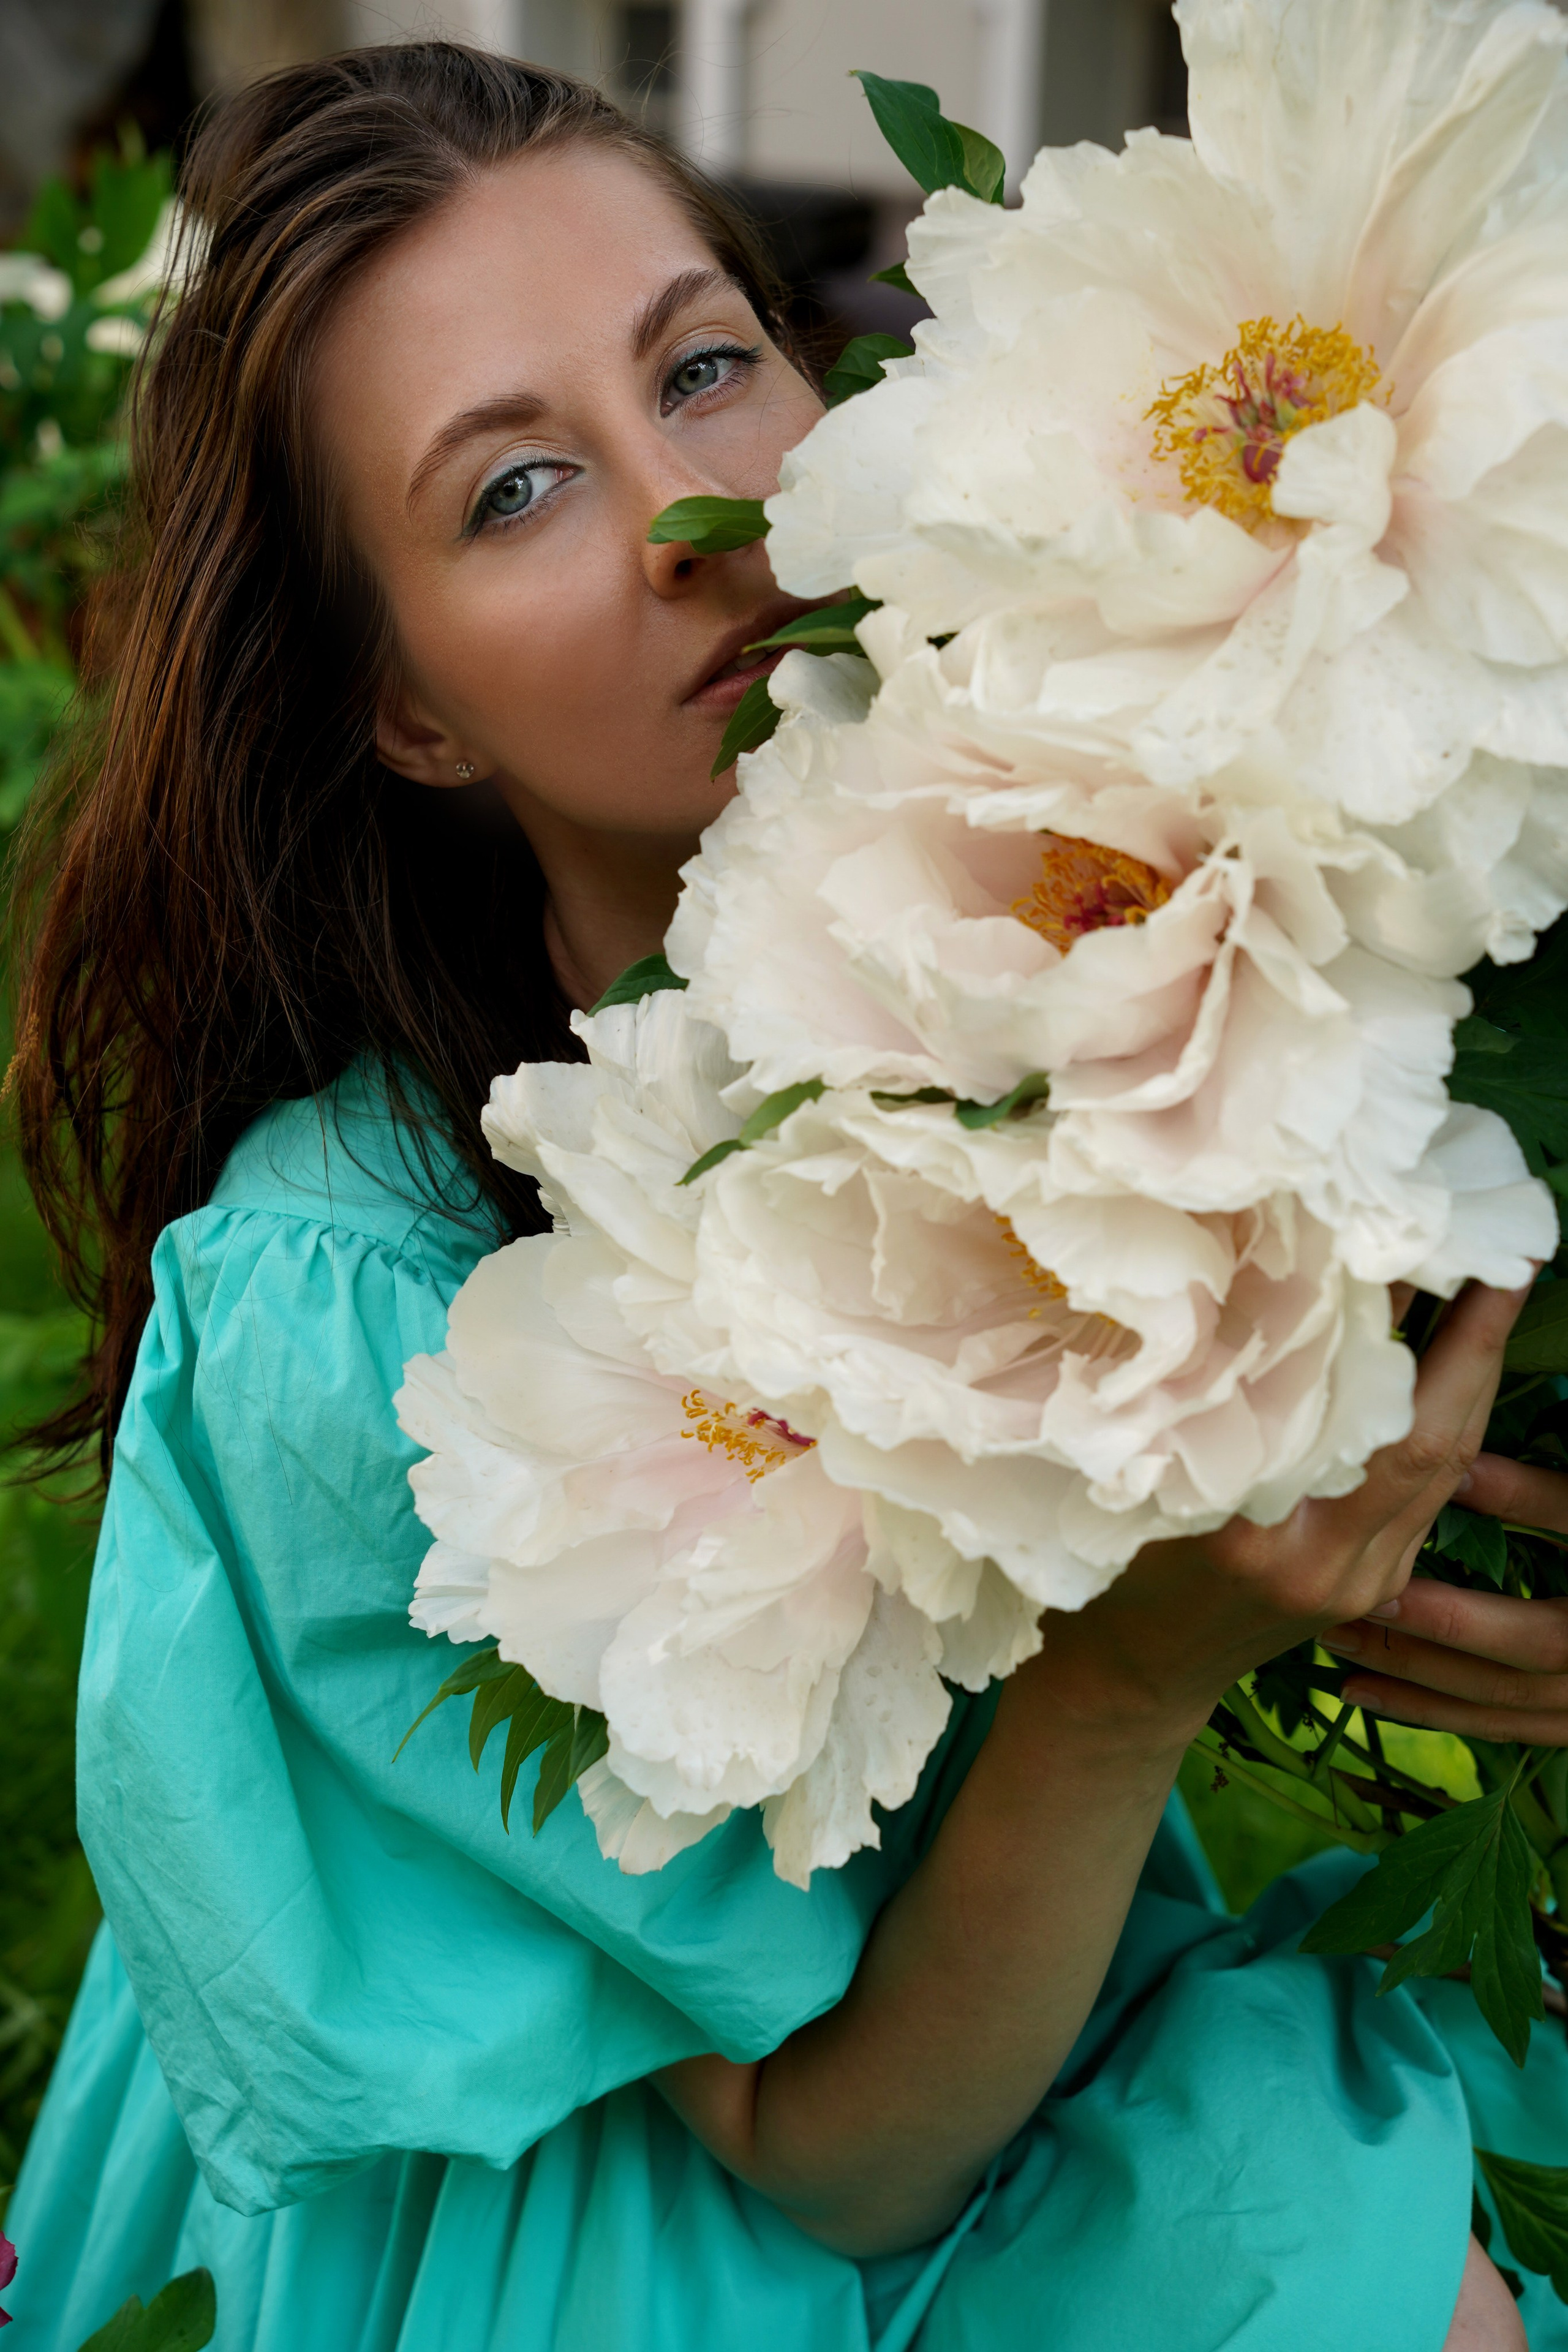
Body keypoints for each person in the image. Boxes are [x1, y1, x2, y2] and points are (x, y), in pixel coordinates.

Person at [5, 43, 1567, 2352]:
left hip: (1033, 1982)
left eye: (705, 369)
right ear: (409, 711)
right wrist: (1131, 1683)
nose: (692, 517)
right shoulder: (362, 1312)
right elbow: (829, 2151)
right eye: (516, 486)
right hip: (640, 2180)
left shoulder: (1157, 846)